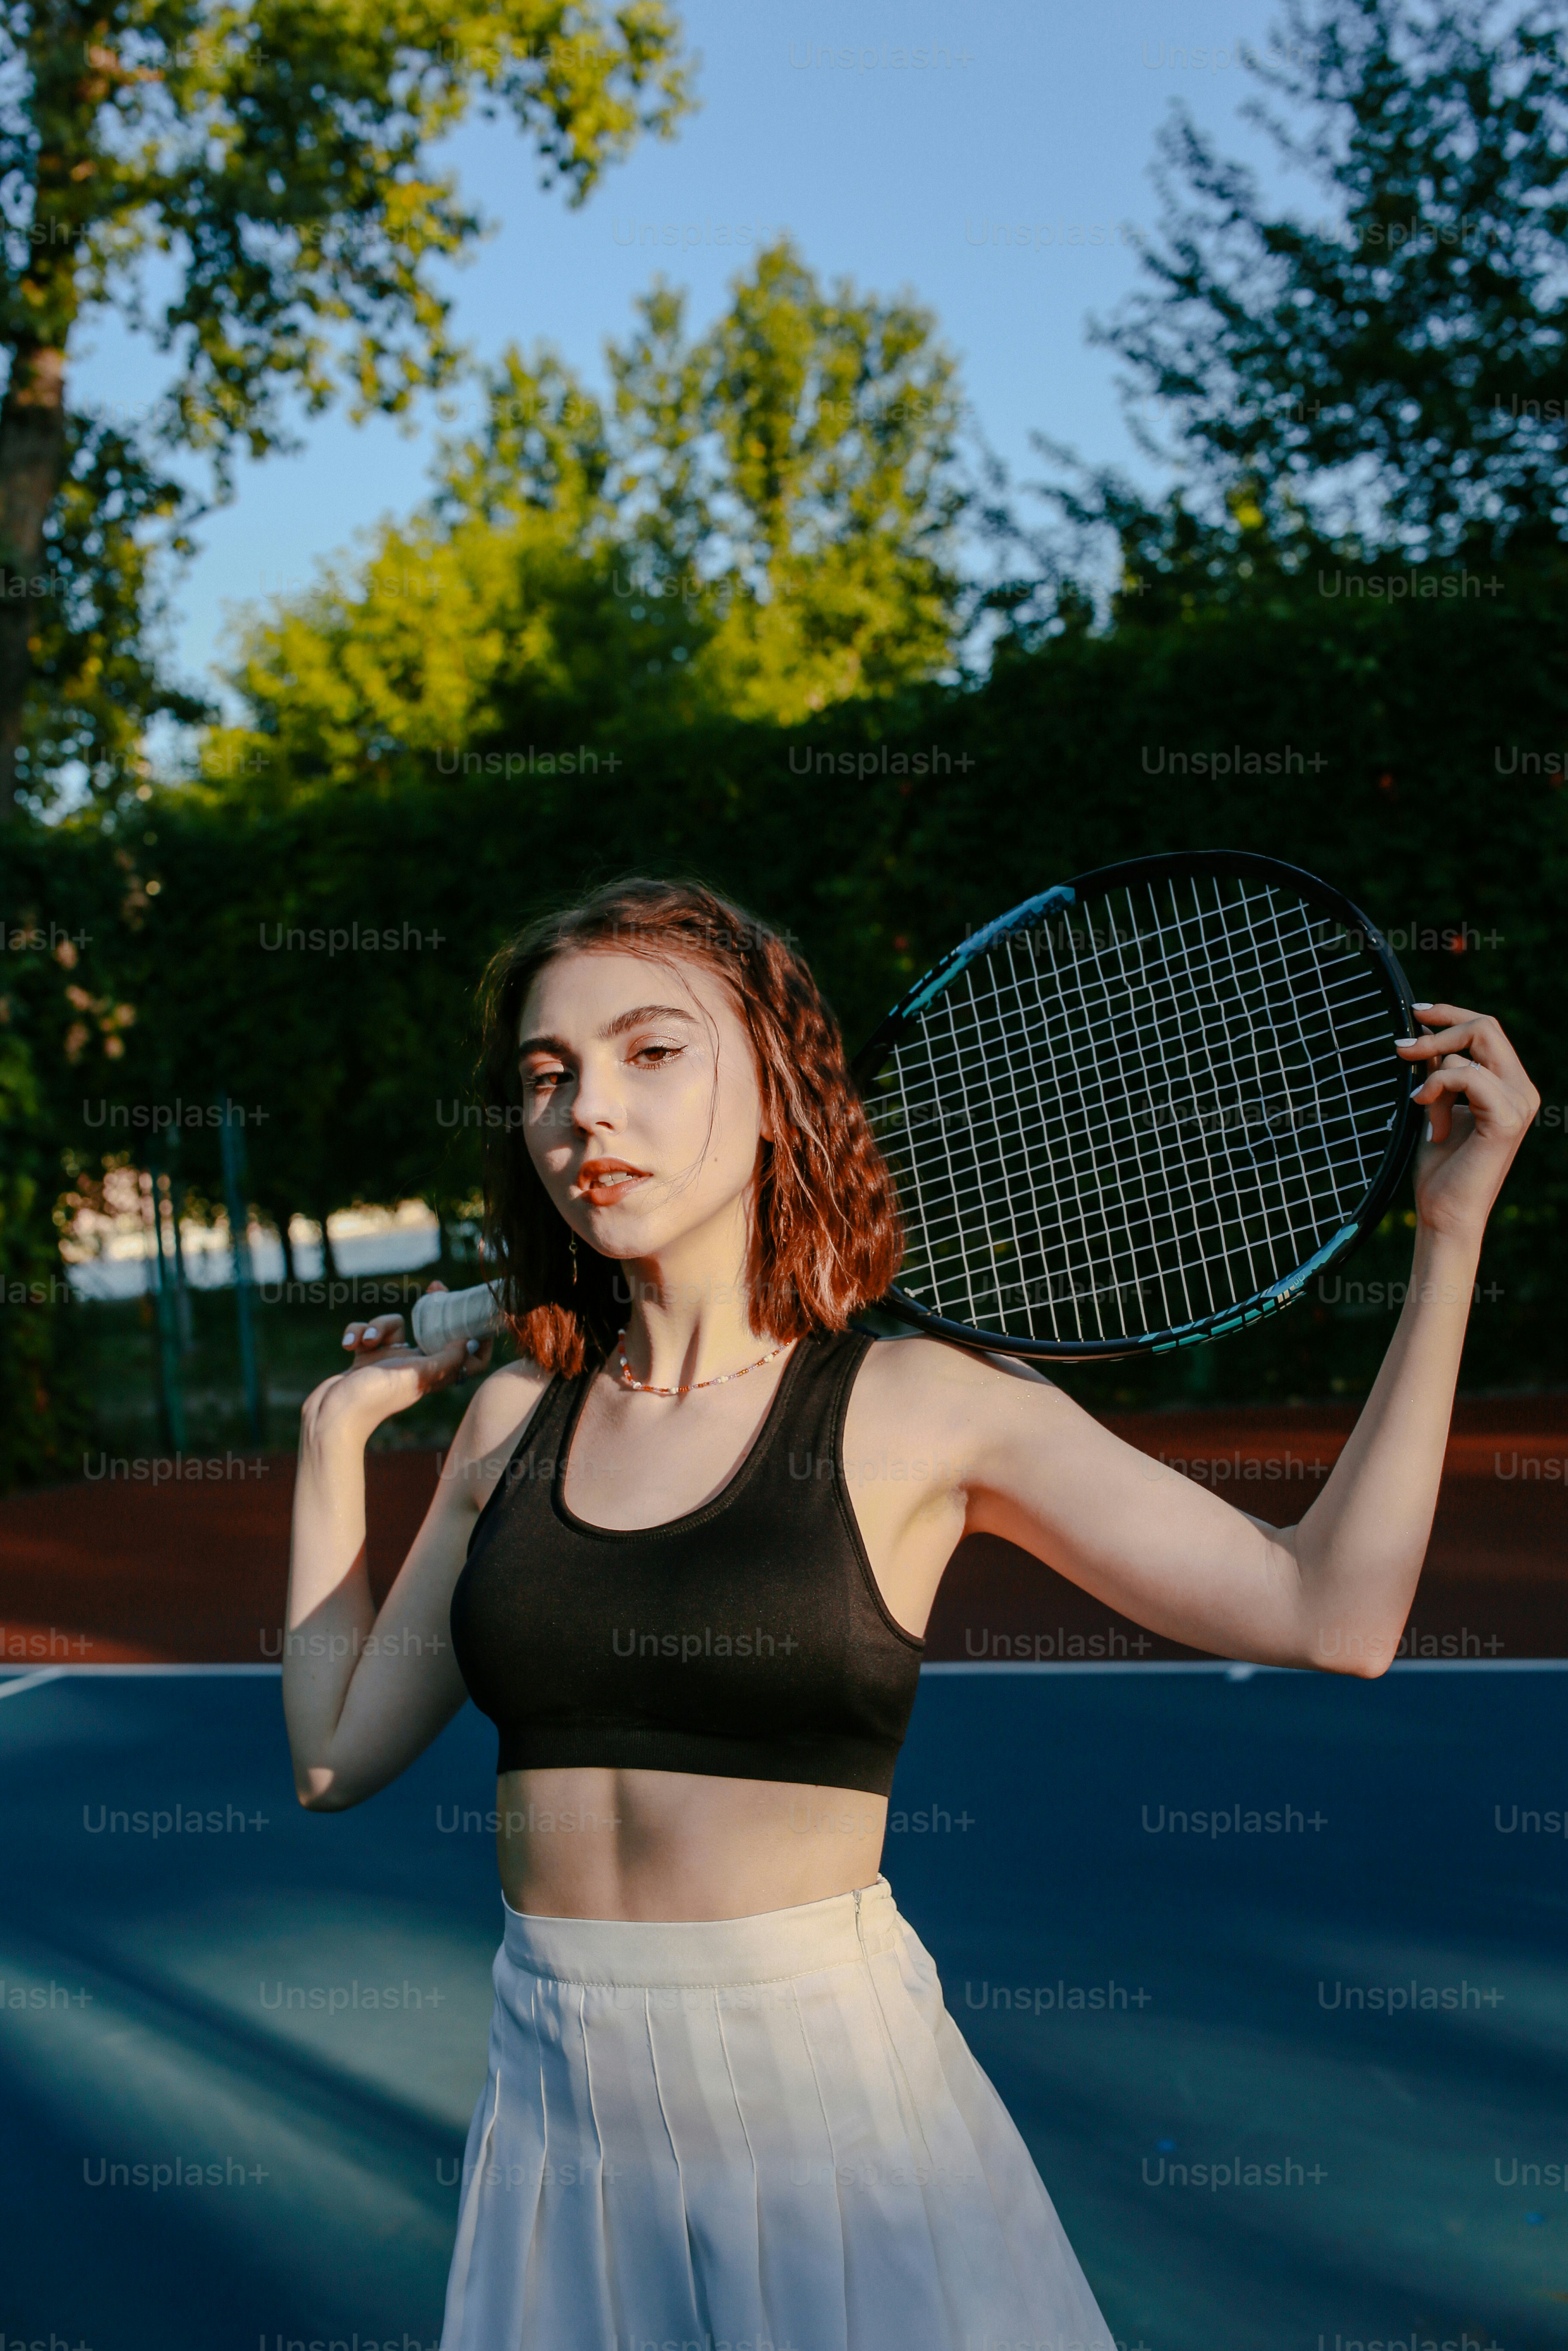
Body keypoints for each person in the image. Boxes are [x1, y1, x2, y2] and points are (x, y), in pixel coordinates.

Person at [282, 874, 1537, 2351]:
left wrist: (1447, 1241)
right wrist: (334, 1437)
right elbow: (334, 1760)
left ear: (776, 1089)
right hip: (557, 2114)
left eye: (650, 1052)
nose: (586, 1115)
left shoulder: (926, 1408)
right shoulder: (508, 1422)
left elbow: (1338, 1611)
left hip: (831, 2124)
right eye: (549, 1078)